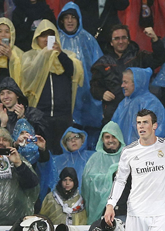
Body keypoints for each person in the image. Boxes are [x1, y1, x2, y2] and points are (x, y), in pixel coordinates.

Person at [21, 19, 84, 155]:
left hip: (63, 116)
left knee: (62, 153)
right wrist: (44, 56)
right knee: (42, 153)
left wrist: (59, 54)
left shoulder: (67, 56)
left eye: (50, 36)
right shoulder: (29, 57)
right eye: (43, 36)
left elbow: (74, 72)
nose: (46, 39)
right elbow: (27, 77)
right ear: (36, 38)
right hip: (39, 116)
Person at [90, 24, 165, 126]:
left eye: (124, 38)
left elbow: (160, 58)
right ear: (111, 42)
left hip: (139, 113)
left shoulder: (139, 56)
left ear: (128, 40)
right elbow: (94, 86)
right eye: (116, 39)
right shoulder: (102, 63)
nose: (121, 41)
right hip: (113, 114)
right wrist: (102, 93)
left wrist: (155, 39)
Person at [57, 2, 104, 148]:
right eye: (67, 17)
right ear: (61, 20)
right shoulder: (55, 40)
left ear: (79, 20)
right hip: (62, 94)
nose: (70, 21)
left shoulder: (88, 39)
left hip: (86, 95)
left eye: (73, 17)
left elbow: (100, 66)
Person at [111, 67, 165, 144]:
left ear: (136, 82)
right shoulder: (124, 103)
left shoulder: (151, 102)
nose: (122, 85)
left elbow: (160, 131)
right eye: (122, 82)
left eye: (125, 82)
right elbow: (112, 129)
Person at [82, 121, 125, 224]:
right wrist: (111, 174)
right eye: (107, 137)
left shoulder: (127, 156)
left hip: (123, 211)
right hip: (99, 212)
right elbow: (87, 183)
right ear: (102, 139)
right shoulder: (94, 159)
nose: (110, 140)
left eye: (114, 136)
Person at [51, 127, 94, 193]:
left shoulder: (92, 157)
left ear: (82, 140)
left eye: (76, 137)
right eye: (69, 139)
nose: (73, 140)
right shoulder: (57, 161)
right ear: (65, 144)